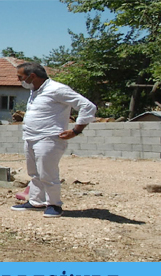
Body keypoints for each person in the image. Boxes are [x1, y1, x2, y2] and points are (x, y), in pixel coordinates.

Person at [11, 62, 97, 217]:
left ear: (32, 76)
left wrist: (76, 130)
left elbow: (87, 106)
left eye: (20, 77)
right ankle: (36, 201)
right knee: (34, 172)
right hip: (31, 137)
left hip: (49, 138)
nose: (19, 80)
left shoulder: (57, 89)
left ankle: (54, 204)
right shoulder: (34, 91)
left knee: (47, 173)